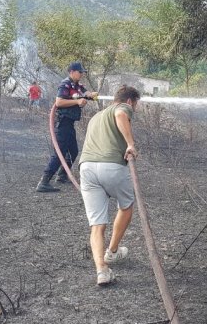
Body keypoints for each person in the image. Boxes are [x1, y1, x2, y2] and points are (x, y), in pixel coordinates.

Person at [79, 85, 141, 285]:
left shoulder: (96, 116)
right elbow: (122, 114)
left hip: (87, 168)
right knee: (126, 206)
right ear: (130, 101)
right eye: (136, 105)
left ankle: (102, 271)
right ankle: (112, 252)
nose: (135, 109)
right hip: (112, 166)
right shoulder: (123, 107)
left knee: (97, 225)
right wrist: (130, 144)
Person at [36, 62, 99, 193]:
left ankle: (62, 175)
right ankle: (44, 182)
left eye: (82, 72)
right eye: (80, 72)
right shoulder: (65, 84)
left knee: (74, 151)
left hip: (70, 125)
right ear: (72, 71)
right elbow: (59, 102)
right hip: (62, 124)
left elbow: (84, 92)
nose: (82, 74)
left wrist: (91, 94)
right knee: (59, 154)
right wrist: (77, 101)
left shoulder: (77, 85)